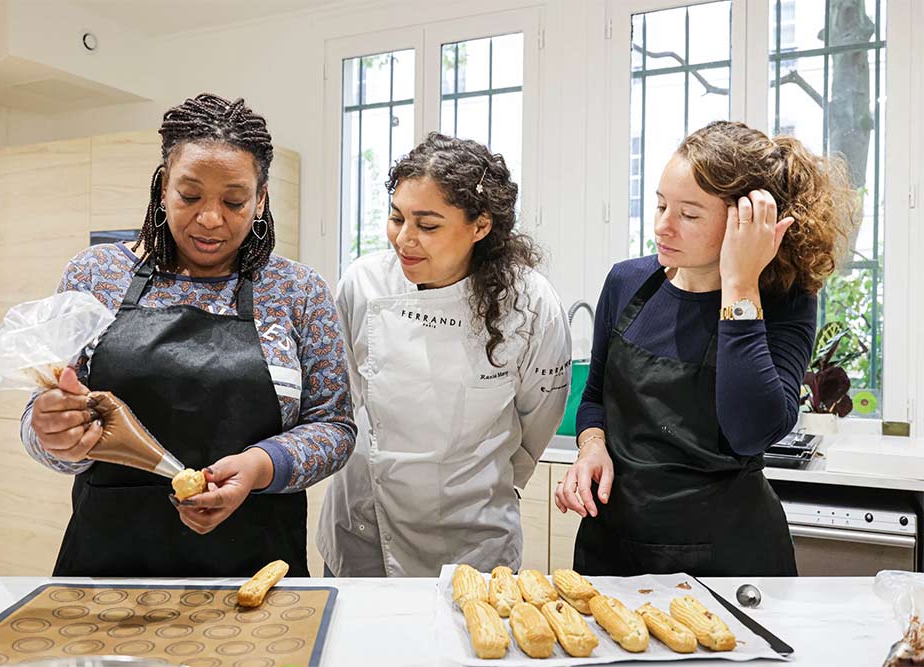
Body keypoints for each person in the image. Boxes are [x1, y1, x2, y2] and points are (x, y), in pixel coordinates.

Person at [21, 94, 356, 577]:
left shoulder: (298, 291)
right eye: (190, 196)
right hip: (107, 569)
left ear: (261, 199)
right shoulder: (95, 275)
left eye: (234, 201)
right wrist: (54, 435)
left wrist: (261, 465)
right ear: (163, 188)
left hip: (258, 568)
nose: (211, 219)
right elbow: (43, 416)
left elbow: (335, 426)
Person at [555, 120, 856, 577]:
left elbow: (751, 432)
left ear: (745, 221)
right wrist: (591, 447)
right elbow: (595, 398)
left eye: (689, 215)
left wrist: (740, 284)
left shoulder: (785, 301)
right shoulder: (626, 282)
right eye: (660, 205)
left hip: (730, 559)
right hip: (612, 547)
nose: (663, 226)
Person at [318, 132, 572, 577]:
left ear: (480, 226)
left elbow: (537, 423)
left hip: (475, 535)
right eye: (396, 218)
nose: (404, 239)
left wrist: (489, 482)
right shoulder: (363, 284)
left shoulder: (530, 305)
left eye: (428, 225)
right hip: (365, 525)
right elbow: (347, 399)